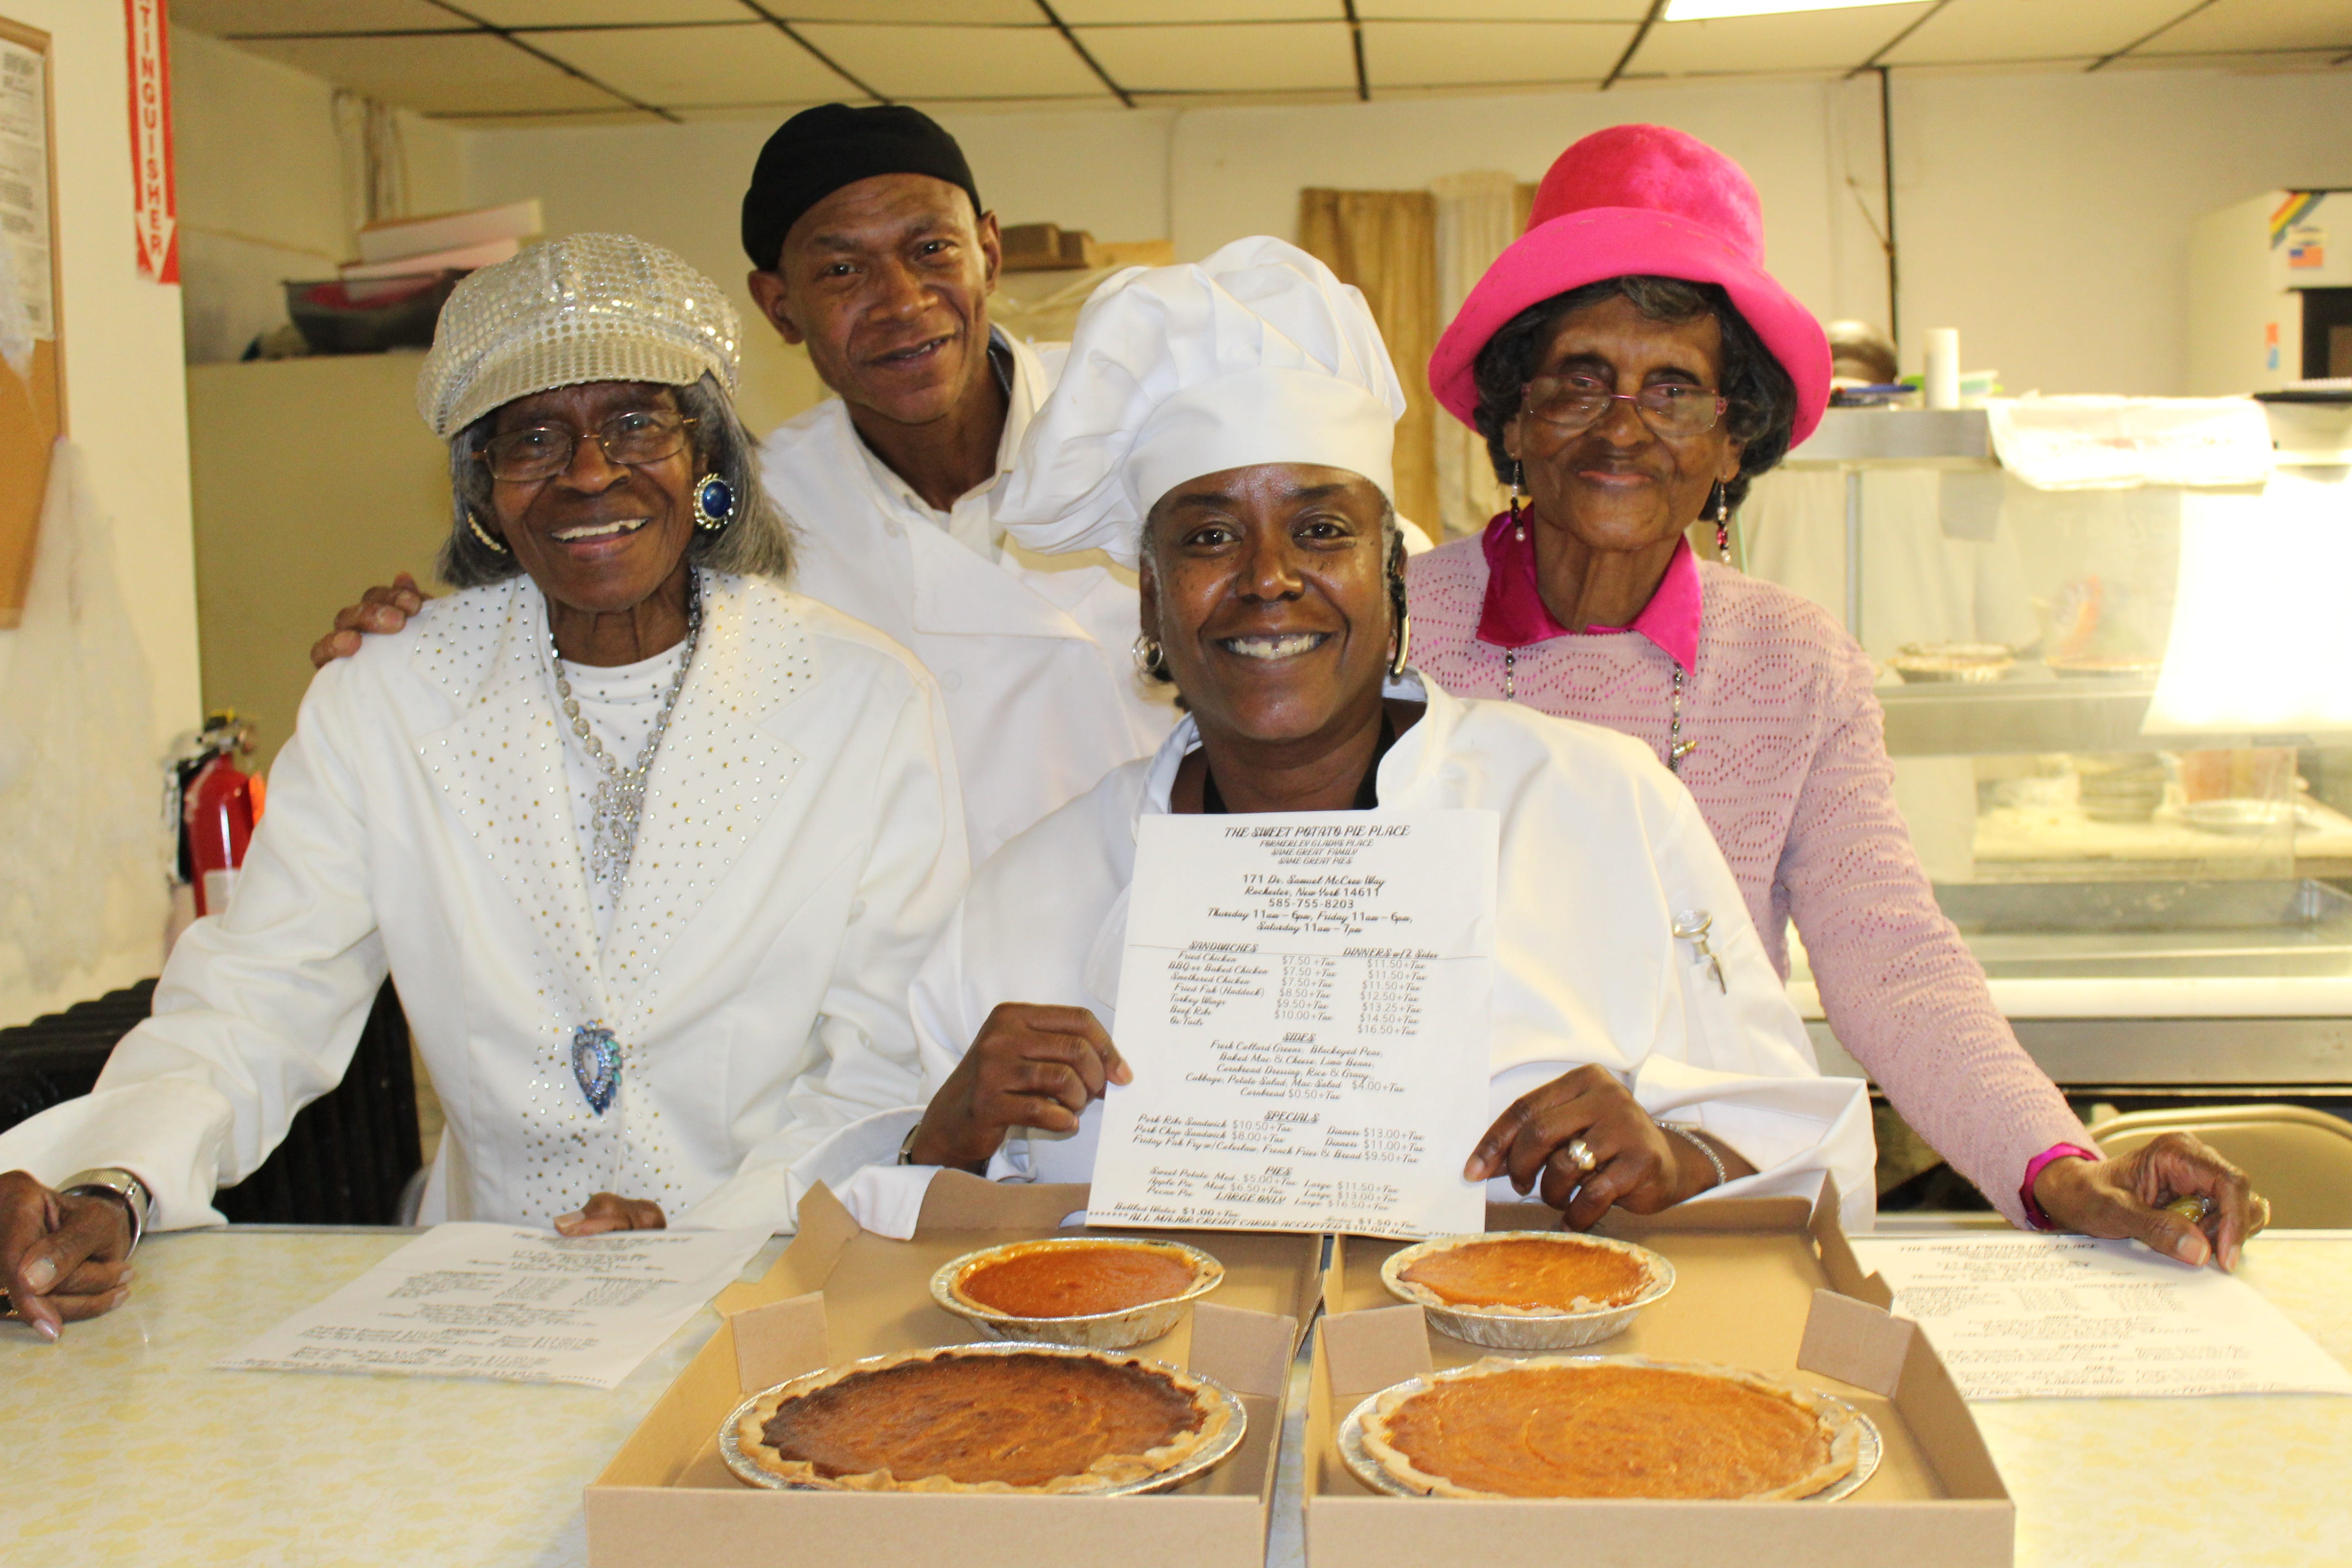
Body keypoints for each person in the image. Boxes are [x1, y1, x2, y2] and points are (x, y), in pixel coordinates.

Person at [0, 235, 966, 1339]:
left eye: (638, 424)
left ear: (708, 463)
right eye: (534, 439)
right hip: (480, 1302)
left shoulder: (862, 700)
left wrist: (718, 1233)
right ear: (484, 494)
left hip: (772, 1284)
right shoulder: (390, 698)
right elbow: (256, 999)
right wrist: (112, 1181)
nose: (590, 473)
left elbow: (890, 1058)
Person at [838, 237, 1872, 1241]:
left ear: (1393, 574)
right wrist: (949, 1137)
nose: (1267, 576)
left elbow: (1802, 1147)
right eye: (1206, 537)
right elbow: (862, 1228)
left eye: (1322, 530)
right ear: (1150, 602)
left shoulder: (1600, 806)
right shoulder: (1031, 891)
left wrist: (1679, 1157)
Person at [1409, 123, 2266, 1265]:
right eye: (1580, 380)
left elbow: (1892, 957)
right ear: (1513, 419)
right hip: (1429, 1201)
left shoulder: (1794, 661)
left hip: (1702, 1206)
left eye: (1675, 388)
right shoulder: (1397, 632)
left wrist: (2059, 1163)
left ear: (1732, 442)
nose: (1624, 425)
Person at [319, 105, 1171, 864]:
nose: (902, 301)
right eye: (842, 272)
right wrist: (411, 657)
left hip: (1168, 919)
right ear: (779, 307)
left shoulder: (1146, 429)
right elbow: (580, 640)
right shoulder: (740, 508)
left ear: (988, 251)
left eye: (932, 249)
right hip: (910, 980)